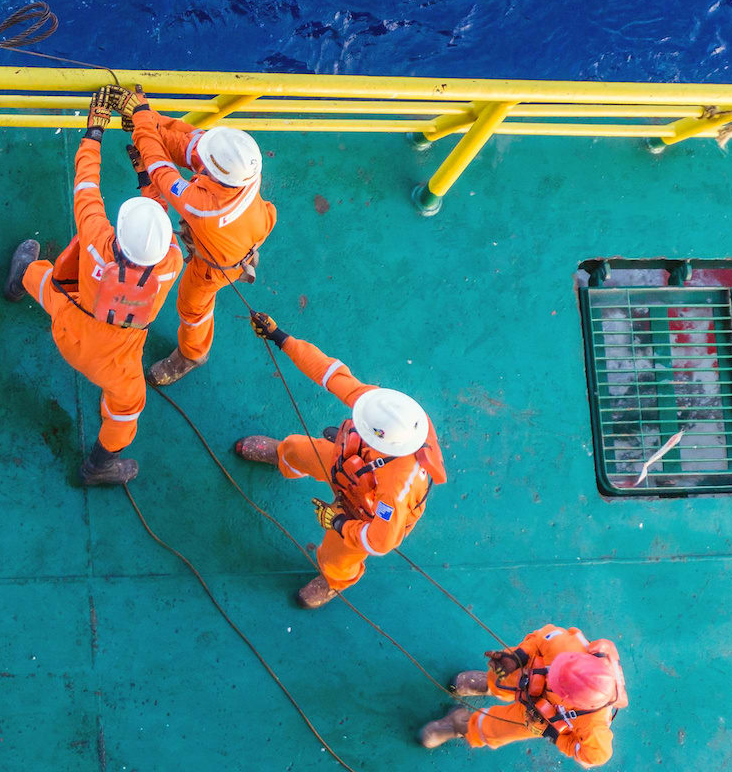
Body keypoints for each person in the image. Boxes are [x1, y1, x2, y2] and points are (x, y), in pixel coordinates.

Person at [4, 86, 183, 485]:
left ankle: (18, 280)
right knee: (127, 409)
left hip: (68, 324)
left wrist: (95, 132)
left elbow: (86, 185)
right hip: (114, 363)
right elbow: (161, 219)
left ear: (118, 231)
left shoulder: (97, 238)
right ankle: (98, 466)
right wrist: (146, 176)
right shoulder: (171, 263)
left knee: (48, 284)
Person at [234, 312, 446, 607]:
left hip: (364, 509)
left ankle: (335, 580)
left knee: (338, 556)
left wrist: (340, 523)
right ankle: (282, 458)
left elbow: (380, 541)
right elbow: (330, 373)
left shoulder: (397, 491)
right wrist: (281, 338)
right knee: (296, 449)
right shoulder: (381, 408)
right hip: (348, 464)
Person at [117, 88, 275, 386]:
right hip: (252, 228)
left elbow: (160, 170)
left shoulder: (203, 207)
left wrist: (143, 123)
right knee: (186, 139)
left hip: (214, 268)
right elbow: (189, 145)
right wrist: (147, 119)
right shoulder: (245, 171)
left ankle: (193, 354)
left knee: (193, 308)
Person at [419, 623, 628, 768]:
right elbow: (539, 639)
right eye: (557, 668)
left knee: (496, 729)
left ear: (570, 700)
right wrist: (517, 657)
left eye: (555, 680)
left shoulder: (593, 726)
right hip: (530, 672)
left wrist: (554, 735)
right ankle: (488, 684)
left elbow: (595, 756)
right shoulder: (564, 646)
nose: (551, 675)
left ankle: (458, 724)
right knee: (502, 675)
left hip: (540, 718)